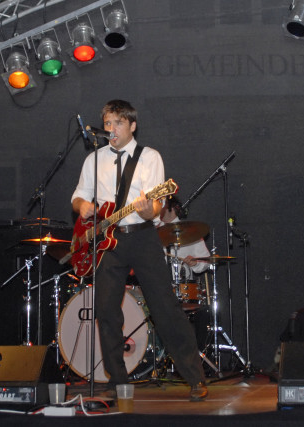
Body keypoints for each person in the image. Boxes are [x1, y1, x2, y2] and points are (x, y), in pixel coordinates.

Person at [71, 100, 208, 401]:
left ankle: (195, 377)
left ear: (132, 126)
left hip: (142, 237)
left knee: (165, 309)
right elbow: (79, 196)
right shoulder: (94, 159)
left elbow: (156, 207)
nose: (111, 129)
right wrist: (82, 207)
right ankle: (117, 382)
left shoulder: (149, 157)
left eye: (118, 123)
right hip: (107, 242)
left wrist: (149, 210)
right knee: (106, 311)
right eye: (108, 123)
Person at [159, 196, 211, 283]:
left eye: (162, 205)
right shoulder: (152, 231)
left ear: (172, 208)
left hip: (183, 286)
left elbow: (206, 261)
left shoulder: (191, 232)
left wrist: (196, 263)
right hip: (156, 284)